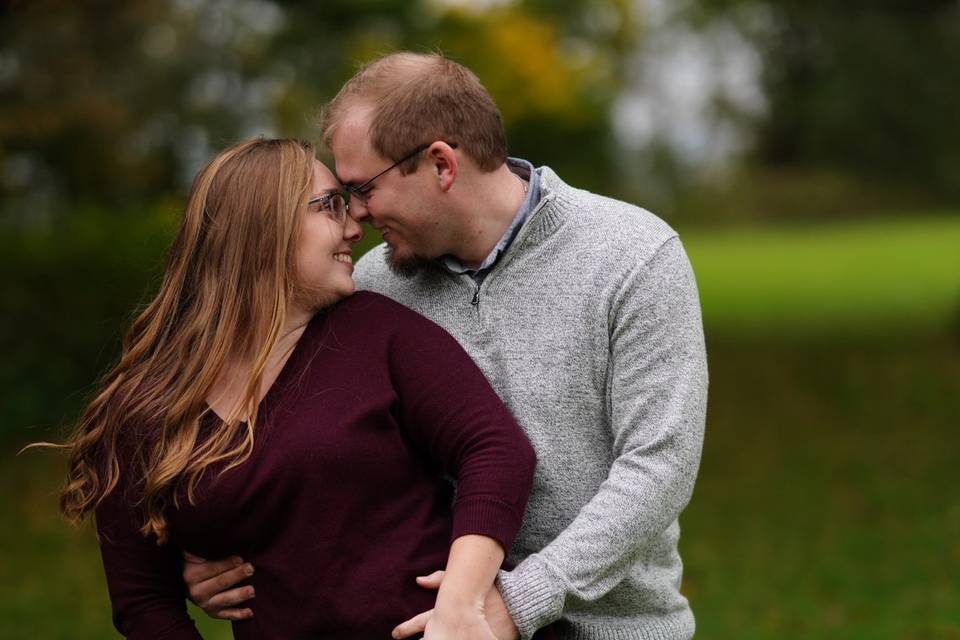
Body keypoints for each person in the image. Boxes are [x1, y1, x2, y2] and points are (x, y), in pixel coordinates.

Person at [188, 52, 709, 640]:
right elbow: (294, 445)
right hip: (425, 626)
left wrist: (516, 602)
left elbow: (658, 469)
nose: (354, 217)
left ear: (441, 164)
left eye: (362, 189)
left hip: (609, 627)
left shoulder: (634, 256)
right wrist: (209, 552)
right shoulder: (370, 286)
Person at [50, 137, 538, 639]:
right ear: (265, 226)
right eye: (330, 206)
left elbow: (496, 450)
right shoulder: (150, 405)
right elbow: (143, 599)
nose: (354, 227)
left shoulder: (380, 333)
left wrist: (461, 602)